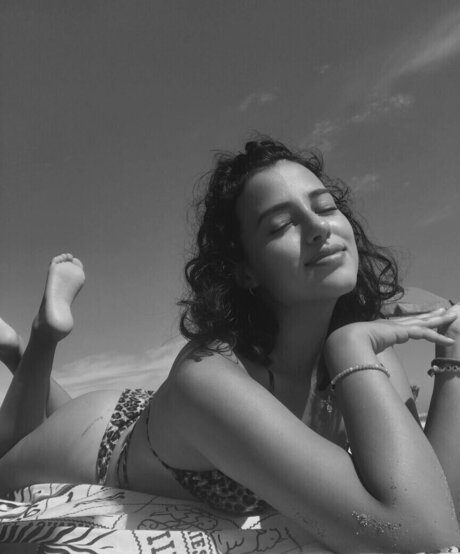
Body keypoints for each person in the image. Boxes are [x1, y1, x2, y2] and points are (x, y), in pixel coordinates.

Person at [0, 139, 460, 553]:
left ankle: (18, 352)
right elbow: (417, 535)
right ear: (245, 270)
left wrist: (452, 353)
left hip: (164, 423)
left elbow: (437, 503)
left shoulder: (369, 352)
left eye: (325, 206)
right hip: (99, 442)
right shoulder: (210, 376)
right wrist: (348, 345)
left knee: (46, 412)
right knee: (4, 460)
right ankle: (41, 337)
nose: (318, 227)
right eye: (281, 225)